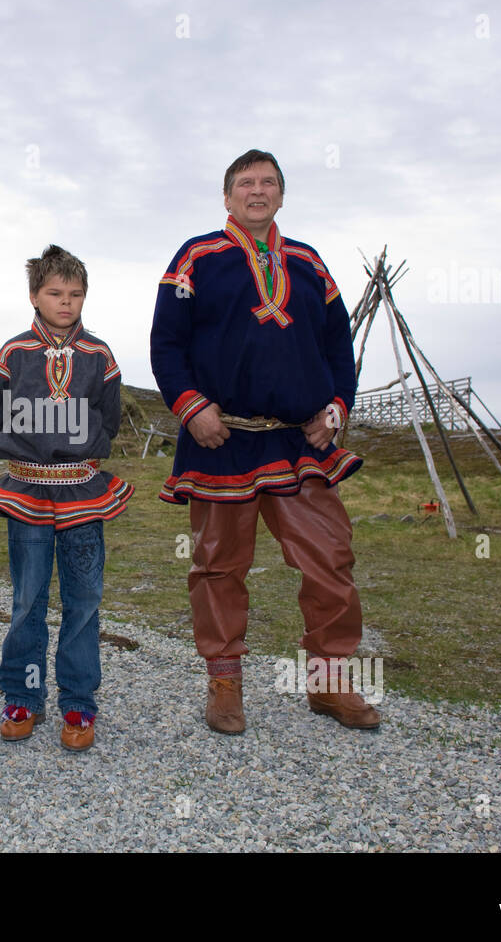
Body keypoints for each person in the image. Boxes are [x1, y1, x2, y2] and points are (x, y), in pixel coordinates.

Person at [149, 148, 380, 733]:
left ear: (281, 194)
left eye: (268, 182)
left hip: (299, 442)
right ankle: (225, 683)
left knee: (330, 557)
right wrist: (190, 407)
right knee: (219, 567)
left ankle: (329, 683)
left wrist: (336, 407)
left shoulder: (308, 263)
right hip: (221, 438)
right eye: (245, 183)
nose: (257, 191)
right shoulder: (196, 258)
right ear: (227, 197)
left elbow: (338, 346)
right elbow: (166, 344)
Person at [0, 245, 133, 752]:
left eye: (75, 294)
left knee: (84, 599)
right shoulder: (11, 355)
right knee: (27, 599)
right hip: (26, 488)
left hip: (83, 490)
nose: (66, 303)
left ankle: (79, 702)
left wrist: (77, 452)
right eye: (55, 293)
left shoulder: (100, 356)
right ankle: (22, 695)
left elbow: (107, 419)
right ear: (34, 296)